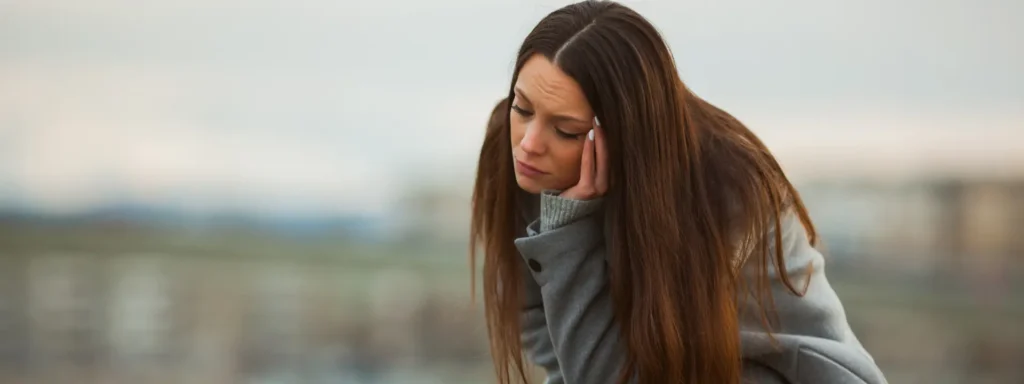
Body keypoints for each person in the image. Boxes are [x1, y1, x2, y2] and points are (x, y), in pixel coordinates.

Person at [470, 1, 887, 384]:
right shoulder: (513, 156)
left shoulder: (725, 189)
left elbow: (654, 373)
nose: (528, 144)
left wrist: (569, 229)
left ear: (624, 133)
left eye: (566, 131)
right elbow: (545, 331)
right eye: (522, 108)